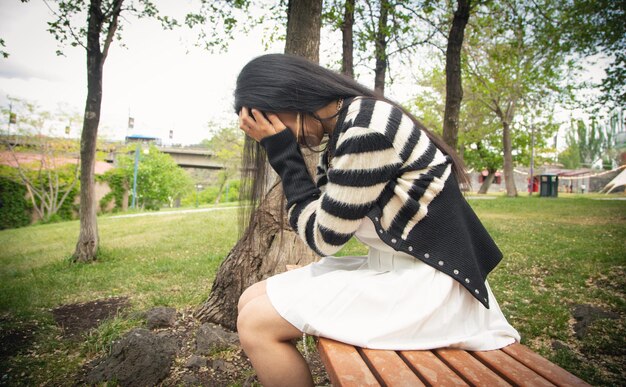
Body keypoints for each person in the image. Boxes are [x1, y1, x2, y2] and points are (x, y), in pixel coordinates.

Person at [235, 54, 520, 387]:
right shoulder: (349, 126)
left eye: (268, 122)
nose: (279, 134)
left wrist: (282, 154)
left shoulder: (365, 129)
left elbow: (322, 239)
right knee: (251, 298)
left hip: (432, 289)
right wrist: (284, 148)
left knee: (256, 323)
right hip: (400, 271)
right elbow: (324, 221)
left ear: (286, 100)